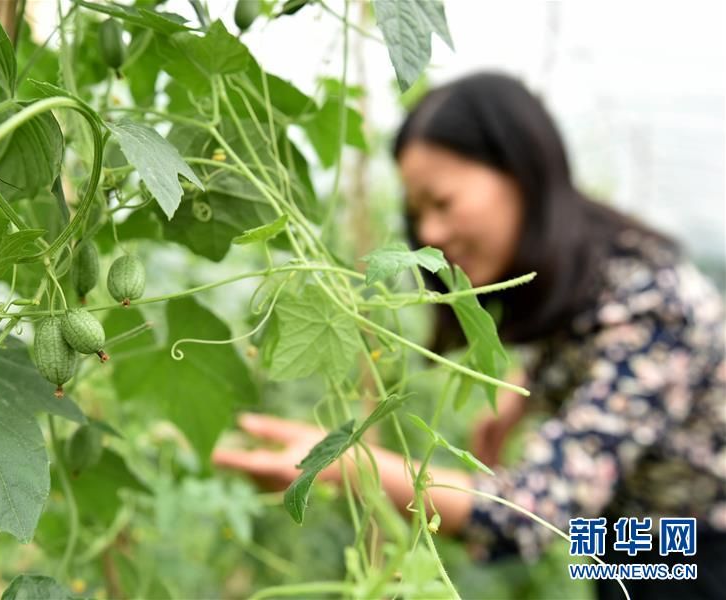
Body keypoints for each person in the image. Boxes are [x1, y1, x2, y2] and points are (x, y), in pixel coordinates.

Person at [213, 72, 726, 599]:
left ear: (520, 174)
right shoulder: (595, 270)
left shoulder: (655, 308)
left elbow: (529, 513)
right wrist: (523, 392)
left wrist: (347, 465)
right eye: (416, 215)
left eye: (442, 202)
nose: (429, 234)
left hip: (693, 553)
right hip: (634, 538)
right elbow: (598, 356)